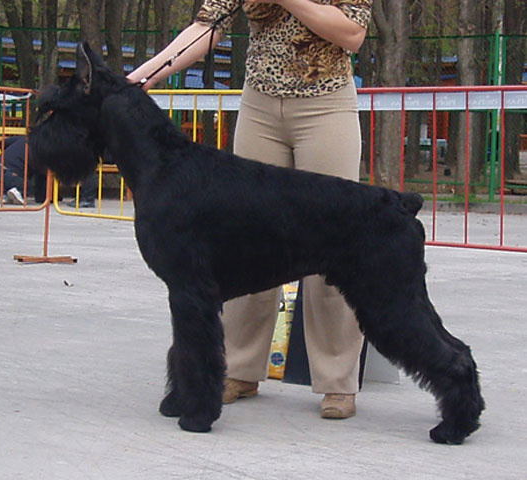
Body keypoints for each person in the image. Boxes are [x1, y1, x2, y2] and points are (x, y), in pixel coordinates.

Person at [128, 0, 372, 419]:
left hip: (326, 102)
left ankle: (337, 382)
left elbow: (351, 34)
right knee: (243, 242)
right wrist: (146, 75)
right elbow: (207, 26)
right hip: (259, 106)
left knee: (334, 242)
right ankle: (238, 369)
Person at [0, 135, 46, 205]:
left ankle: (8, 194)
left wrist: (7, 153)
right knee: (29, 187)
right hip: (9, 171)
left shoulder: (24, 138)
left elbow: (3, 142)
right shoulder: (40, 151)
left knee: (11, 179)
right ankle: (18, 192)